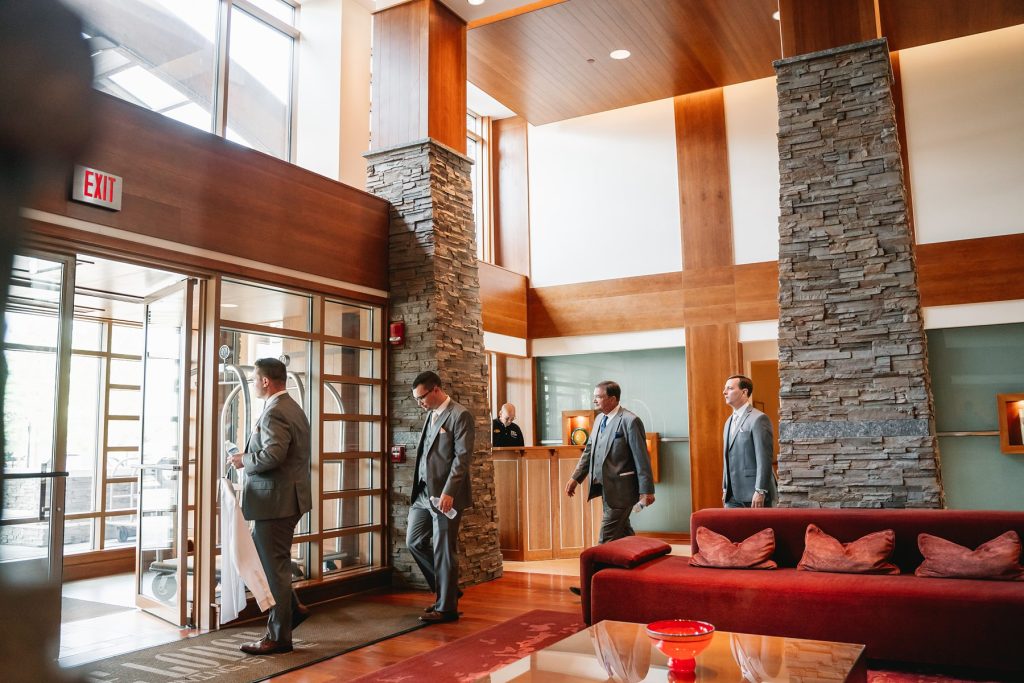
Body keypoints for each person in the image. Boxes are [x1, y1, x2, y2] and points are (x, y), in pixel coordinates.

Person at [227, 358, 312, 654]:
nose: (253, 385)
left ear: (265, 381)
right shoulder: (293, 408)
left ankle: (278, 637)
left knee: (271, 568)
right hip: (285, 499)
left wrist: (243, 461)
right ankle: (294, 611)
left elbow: (272, 456)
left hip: (275, 502)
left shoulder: (276, 411)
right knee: (271, 563)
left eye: (254, 380)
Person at [407, 371, 473, 623]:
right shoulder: (430, 414)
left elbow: (462, 458)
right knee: (414, 541)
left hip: (446, 495)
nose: (419, 403)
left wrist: (449, 492)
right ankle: (449, 590)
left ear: (435, 390)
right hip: (423, 493)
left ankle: (446, 609)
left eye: (421, 397)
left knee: (444, 549)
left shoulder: (460, 414)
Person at [565, 381, 655, 542]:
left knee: (606, 538)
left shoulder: (630, 421)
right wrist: (576, 478)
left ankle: (598, 567)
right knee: (623, 533)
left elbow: (642, 458)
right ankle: (637, 563)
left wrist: (647, 491)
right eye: (594, 397)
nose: (594, 400)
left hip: (623, 491)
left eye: (599, 397)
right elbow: (589, 451)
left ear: (613, 399)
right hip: (605, 489)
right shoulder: (599, 419)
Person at [721, 374, 777, 508]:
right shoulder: (728, 422)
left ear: (744, 392)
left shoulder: (759, 419)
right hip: (731, 496)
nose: (724, 392)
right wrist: (725, 488)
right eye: (725, 389)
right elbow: (727, 458)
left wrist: (760, 490)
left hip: (753, 495)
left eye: (729, 388)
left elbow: (764, 458)